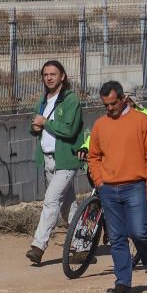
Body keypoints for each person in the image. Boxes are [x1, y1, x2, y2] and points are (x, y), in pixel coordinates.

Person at [87, 81, 147, 293]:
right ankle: (123, 282)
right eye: (106, 105)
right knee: (117, 237)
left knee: (139, 231)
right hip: (109, 189)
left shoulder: (142, 121)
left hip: (136, 186)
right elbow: (94, 156)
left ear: (123, 99)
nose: (109, 108)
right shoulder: (100, 125)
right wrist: (99, 181)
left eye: (113, 104)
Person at [26, 61, 85, 265]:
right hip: (48, 159)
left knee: (51, 200)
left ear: (63, 76)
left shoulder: (71, 100)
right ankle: (83, 244)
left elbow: (69, 130)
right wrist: (34, 127)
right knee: (67, 206)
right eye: (45, 74)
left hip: (66, 159)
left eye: (53, 74)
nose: (49, 77)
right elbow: (35, 124)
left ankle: (38, 246)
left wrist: (45, 123)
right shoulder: (43, 100)